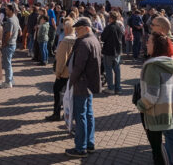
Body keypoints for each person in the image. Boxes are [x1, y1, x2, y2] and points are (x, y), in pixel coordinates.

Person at [136, 32, 173, 165]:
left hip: (155, 115)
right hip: (169, 112)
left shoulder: (152, 67)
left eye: (149, 41)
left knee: (158, 153)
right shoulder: (170, 63)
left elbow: (151, 95)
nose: (146, 44)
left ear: (156, 45)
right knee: (171, 143)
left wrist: (140, 105)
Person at [65, 17, 101, 158]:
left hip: (82, 84)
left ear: (86, 28)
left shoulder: (85, 42)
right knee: (88, 114)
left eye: (78, 29)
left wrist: (71, 82)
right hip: (89, 84)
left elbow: (79, 67)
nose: (76, 32)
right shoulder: (94, 40)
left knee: (81, 116)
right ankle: (89, 144)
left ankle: (81, 148)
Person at [46, 19, 75, 121]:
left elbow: (62, 59)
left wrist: (58, 72)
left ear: (67, 29)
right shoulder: (76, 40)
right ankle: (68, 113)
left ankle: (56, 113)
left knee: (57, 90)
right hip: (73, 72)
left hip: (64, 72)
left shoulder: (65, 41)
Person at [101, 11, 124, 95]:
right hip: (117, 51)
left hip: (109, 51)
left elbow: (103, 38)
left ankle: (110, 88)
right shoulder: (119, 27)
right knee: (117, 70)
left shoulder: (109, 27)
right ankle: (118, 88)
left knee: (109, 69)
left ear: (111, 18)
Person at [0, 4, 21, 88]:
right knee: (8, 63)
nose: (6, 11)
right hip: (13, 43)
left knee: (7, 64)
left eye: (7, 10)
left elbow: (9, 33)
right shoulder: (15, 18)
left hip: (8, 44)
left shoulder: (10, 20)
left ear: (11, 11)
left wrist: (4, 43)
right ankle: (11, 80)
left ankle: (8, 82)